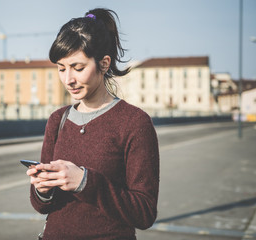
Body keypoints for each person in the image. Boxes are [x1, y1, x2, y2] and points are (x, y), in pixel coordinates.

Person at [27, 8, 159, 240]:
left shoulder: (135, 123)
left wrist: (84, 182)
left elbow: (144, 213)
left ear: (104, 64)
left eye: (78, 68)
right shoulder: (58, 120)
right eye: (61, 68)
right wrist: (42, 189)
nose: (68, 79)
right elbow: (42, 207)